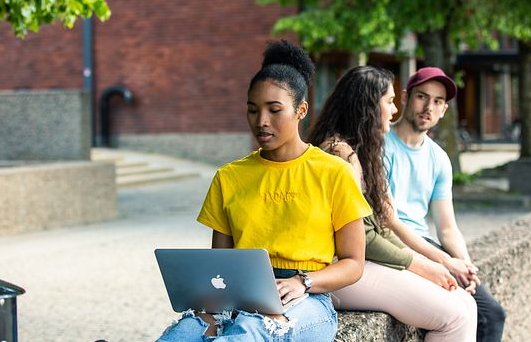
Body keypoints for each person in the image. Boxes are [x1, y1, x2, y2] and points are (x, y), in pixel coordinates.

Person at [157, 40, 373, 341]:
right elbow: (220, 265)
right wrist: (209, 307)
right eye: (252, 110)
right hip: (238, 297)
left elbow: (353, 264)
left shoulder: (334, 172)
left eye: (274, 110)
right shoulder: (229, 177)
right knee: (185, 332)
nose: (261, 122)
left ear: (301, 110)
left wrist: (303, 282)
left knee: (250, 332)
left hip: (307, 299)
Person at [308, 66, 477, 342]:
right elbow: (362, 236)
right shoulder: (339, 154)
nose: (394, 111)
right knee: (454, 315)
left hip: (358, 265)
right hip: (335, 271)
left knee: (466, 303)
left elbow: (382, 225)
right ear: (368, 106)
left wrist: (431, 263)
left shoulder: (362, 151)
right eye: (389, 102)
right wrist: (421, 266)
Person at [384, 66, 506, 342]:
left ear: (444, 110)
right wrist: (446, 261)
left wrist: (466, 265)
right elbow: (386, 224)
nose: (428, 107)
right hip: (395, 244)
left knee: (491, 313)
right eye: (422, 97)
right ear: (405, 97)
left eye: (438, 101)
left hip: (426, 244)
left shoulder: (439, 159)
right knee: (455, 311)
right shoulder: (381, 146)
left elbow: (447, 228)